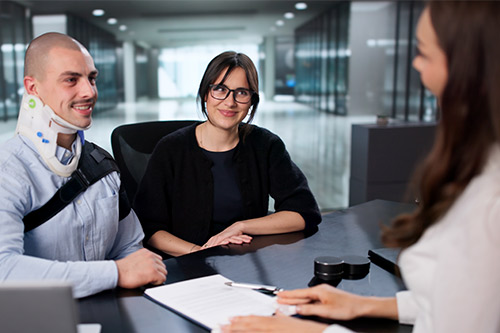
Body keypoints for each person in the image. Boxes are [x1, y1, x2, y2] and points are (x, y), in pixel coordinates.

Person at [221, 1, 500, 332]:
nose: (415, 65)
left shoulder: (490, 201)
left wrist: (311, 331)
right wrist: (362, 304)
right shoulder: (482, 165)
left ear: (468, 65)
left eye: (424, 53)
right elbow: (458, 302)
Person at [0, 32, 167, 298]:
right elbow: (4, 272)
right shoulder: (8, 171)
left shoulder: (102, 165)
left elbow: (129, 248)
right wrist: (115, 273)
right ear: (33, 88)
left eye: (91, 78)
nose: (89, 92)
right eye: (71, 80)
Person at [133, 51, 321, 257]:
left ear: (251, 101)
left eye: (241, 92)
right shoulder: (170, 149)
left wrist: (241, 226)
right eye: (220, 89)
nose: (230, 102)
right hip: (185, 263)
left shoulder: (266, 145)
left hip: (245, 263)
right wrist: (199, 254)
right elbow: (148, 227)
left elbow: (304, 213)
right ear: (206, 94)